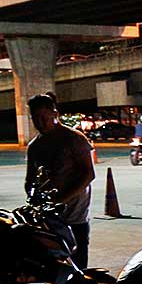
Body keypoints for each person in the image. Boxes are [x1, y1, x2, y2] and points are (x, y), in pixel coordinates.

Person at [24, 93, 96, 269]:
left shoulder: (74, 139)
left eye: (44, 118)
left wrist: (61, 199)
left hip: (75, 215)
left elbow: (88, 174)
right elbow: (30, 179)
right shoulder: (35, 146)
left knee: (78, 263)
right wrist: (33, 196)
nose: (40, 123)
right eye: (35, 119)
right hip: (49, 218)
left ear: (54, 114)